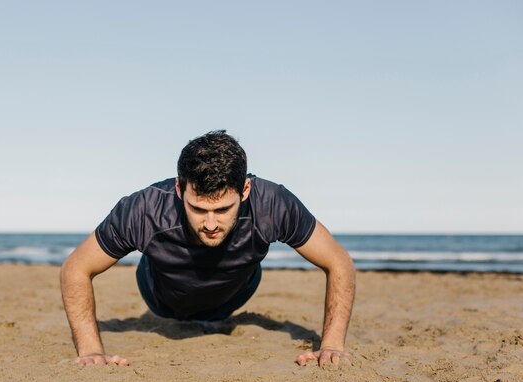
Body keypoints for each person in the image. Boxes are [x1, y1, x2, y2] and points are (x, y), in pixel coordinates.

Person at [60, 130, 356, 368]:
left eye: (224, 209)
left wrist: (331, 345)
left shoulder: (273, 204)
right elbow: (76, 268)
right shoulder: (143, 210)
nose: (211, 223)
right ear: (179, 189)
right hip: (161, 297)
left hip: (233, 295)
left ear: (245, 190)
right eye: (198, 209)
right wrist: (91, 351)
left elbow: (339, 262)